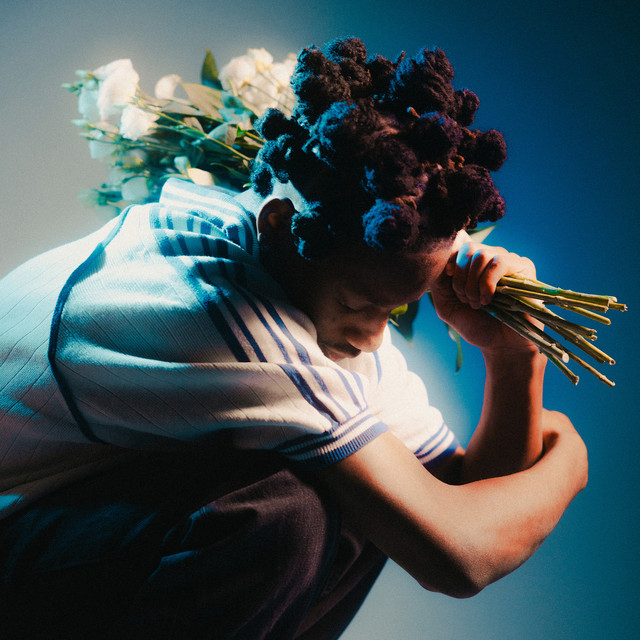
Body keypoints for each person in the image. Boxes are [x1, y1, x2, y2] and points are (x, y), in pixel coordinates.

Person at [0, 37, 587, 639]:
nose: (372, 337)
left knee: (369, 501)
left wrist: (515, 356)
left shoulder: (291, 270)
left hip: (56, 539)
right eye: (358, 305)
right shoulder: (218, 309)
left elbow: (461, 490)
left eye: (394, 310)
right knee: (286, 512)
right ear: (279, 224)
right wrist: (570, 459)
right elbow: (459, 555)